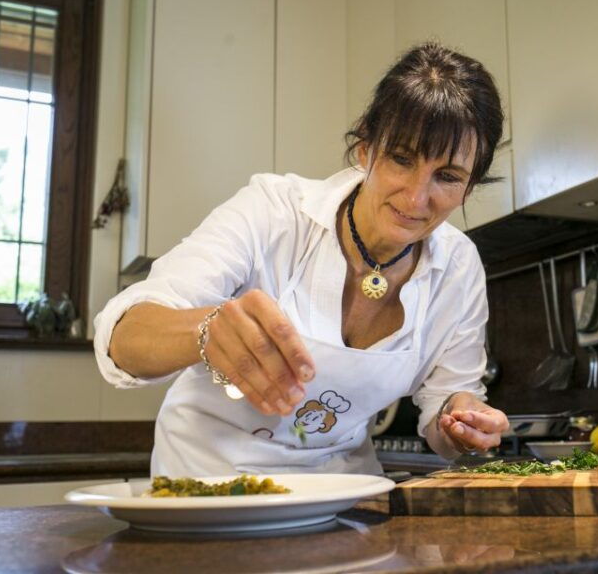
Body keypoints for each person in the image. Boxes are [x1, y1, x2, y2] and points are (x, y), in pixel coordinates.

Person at [94, 42, 510, 476]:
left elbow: (447, 414)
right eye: (401, 159)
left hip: (344, 500)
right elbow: (123, 338)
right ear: (366, 149)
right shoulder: (272, 212)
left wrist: (463, 423)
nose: (416, 197)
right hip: (209, 492)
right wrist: (207, 331)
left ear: (470, 186)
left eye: (447, 177)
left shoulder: (458, 267)